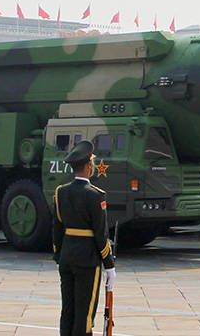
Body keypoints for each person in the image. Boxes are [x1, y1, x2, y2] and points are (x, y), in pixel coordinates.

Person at [52, 140, 116, 336]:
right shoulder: (95, 196)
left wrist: (59, 256)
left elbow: (56, 229)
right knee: (85, 315)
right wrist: (109, 264)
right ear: (89, 166)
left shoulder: (60, 192)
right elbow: (100, 234)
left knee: (68, 311)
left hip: (67, 258)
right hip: (87, 260)